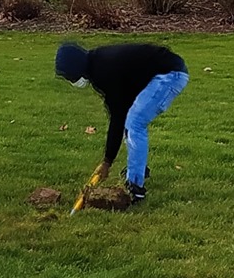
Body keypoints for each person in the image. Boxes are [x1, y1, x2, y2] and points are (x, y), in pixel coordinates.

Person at [53, 39, 188, 202]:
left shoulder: (103, 70)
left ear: (76, 68)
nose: (71, 81)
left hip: (170, 74)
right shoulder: (97, 63)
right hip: (159, 73)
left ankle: (135, 187)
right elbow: (119, 108)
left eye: (69, 76)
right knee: (130, 120)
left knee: (135, 123)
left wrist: (107, 162)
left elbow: (118, 116)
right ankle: (137, 169)